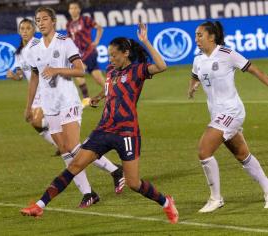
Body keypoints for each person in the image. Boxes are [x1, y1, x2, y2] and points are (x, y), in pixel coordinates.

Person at [20, 23, 179, 224]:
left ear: (126, 53)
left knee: (133, 183)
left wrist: (146, 41)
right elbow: (110, 89)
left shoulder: (138, 70)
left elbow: (162, 66)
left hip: (127, 133)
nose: (110, 59)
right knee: (75, 164)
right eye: (109, 55)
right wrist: (97, 97)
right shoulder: (111, 71)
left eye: (114, 55)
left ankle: (166, 202)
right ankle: (39, 206)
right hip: (103, 129)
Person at [23, 7, 125, 208]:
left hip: (68, 101)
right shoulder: (33, 49)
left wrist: (57, 70)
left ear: (53, 21)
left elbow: (80, 70)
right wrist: (28, 106)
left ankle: (115, 170)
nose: (41, 23)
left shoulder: (65, 42)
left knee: (73, 147)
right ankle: (89, 193)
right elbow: (34, 77)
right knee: (64, 150)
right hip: (49, 105)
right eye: (38, 20)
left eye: (44, 19)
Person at [188, 21, 268, 213]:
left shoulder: (227, 54)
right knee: (243, 155)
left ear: (212, 37)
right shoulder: (198, 59)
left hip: (232, 111)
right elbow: (195, 75)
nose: (196, 39)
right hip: (217, 113)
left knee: (204, 150)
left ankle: (216, 198)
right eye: (196, 35)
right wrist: (192, 86)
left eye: (200, 35)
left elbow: (254, 69)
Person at [6, 18, 57, 153]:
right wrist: (14, 76)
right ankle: (60, 144)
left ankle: (63, 139)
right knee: (34, 122)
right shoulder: (19, 52)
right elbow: (21, 75)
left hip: (46, 89)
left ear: (34, 30)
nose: (25, 31)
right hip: (35, 92)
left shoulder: (37, 45)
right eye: (22, 29)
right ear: (19, 31)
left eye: (28, 28)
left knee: (37, 121)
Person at [66, 0, 106, 108]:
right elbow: (69, 39)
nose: (73, 10)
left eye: (75, 8)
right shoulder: (69, 24)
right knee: (80, 74)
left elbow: (99, 28)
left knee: (97, 78)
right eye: (71, 8)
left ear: (79, 9)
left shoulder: (86, 19)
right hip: (78, 55)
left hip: (89, 52)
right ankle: (87, 99)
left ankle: (111, 91)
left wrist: (96, 41)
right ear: (69, 11)